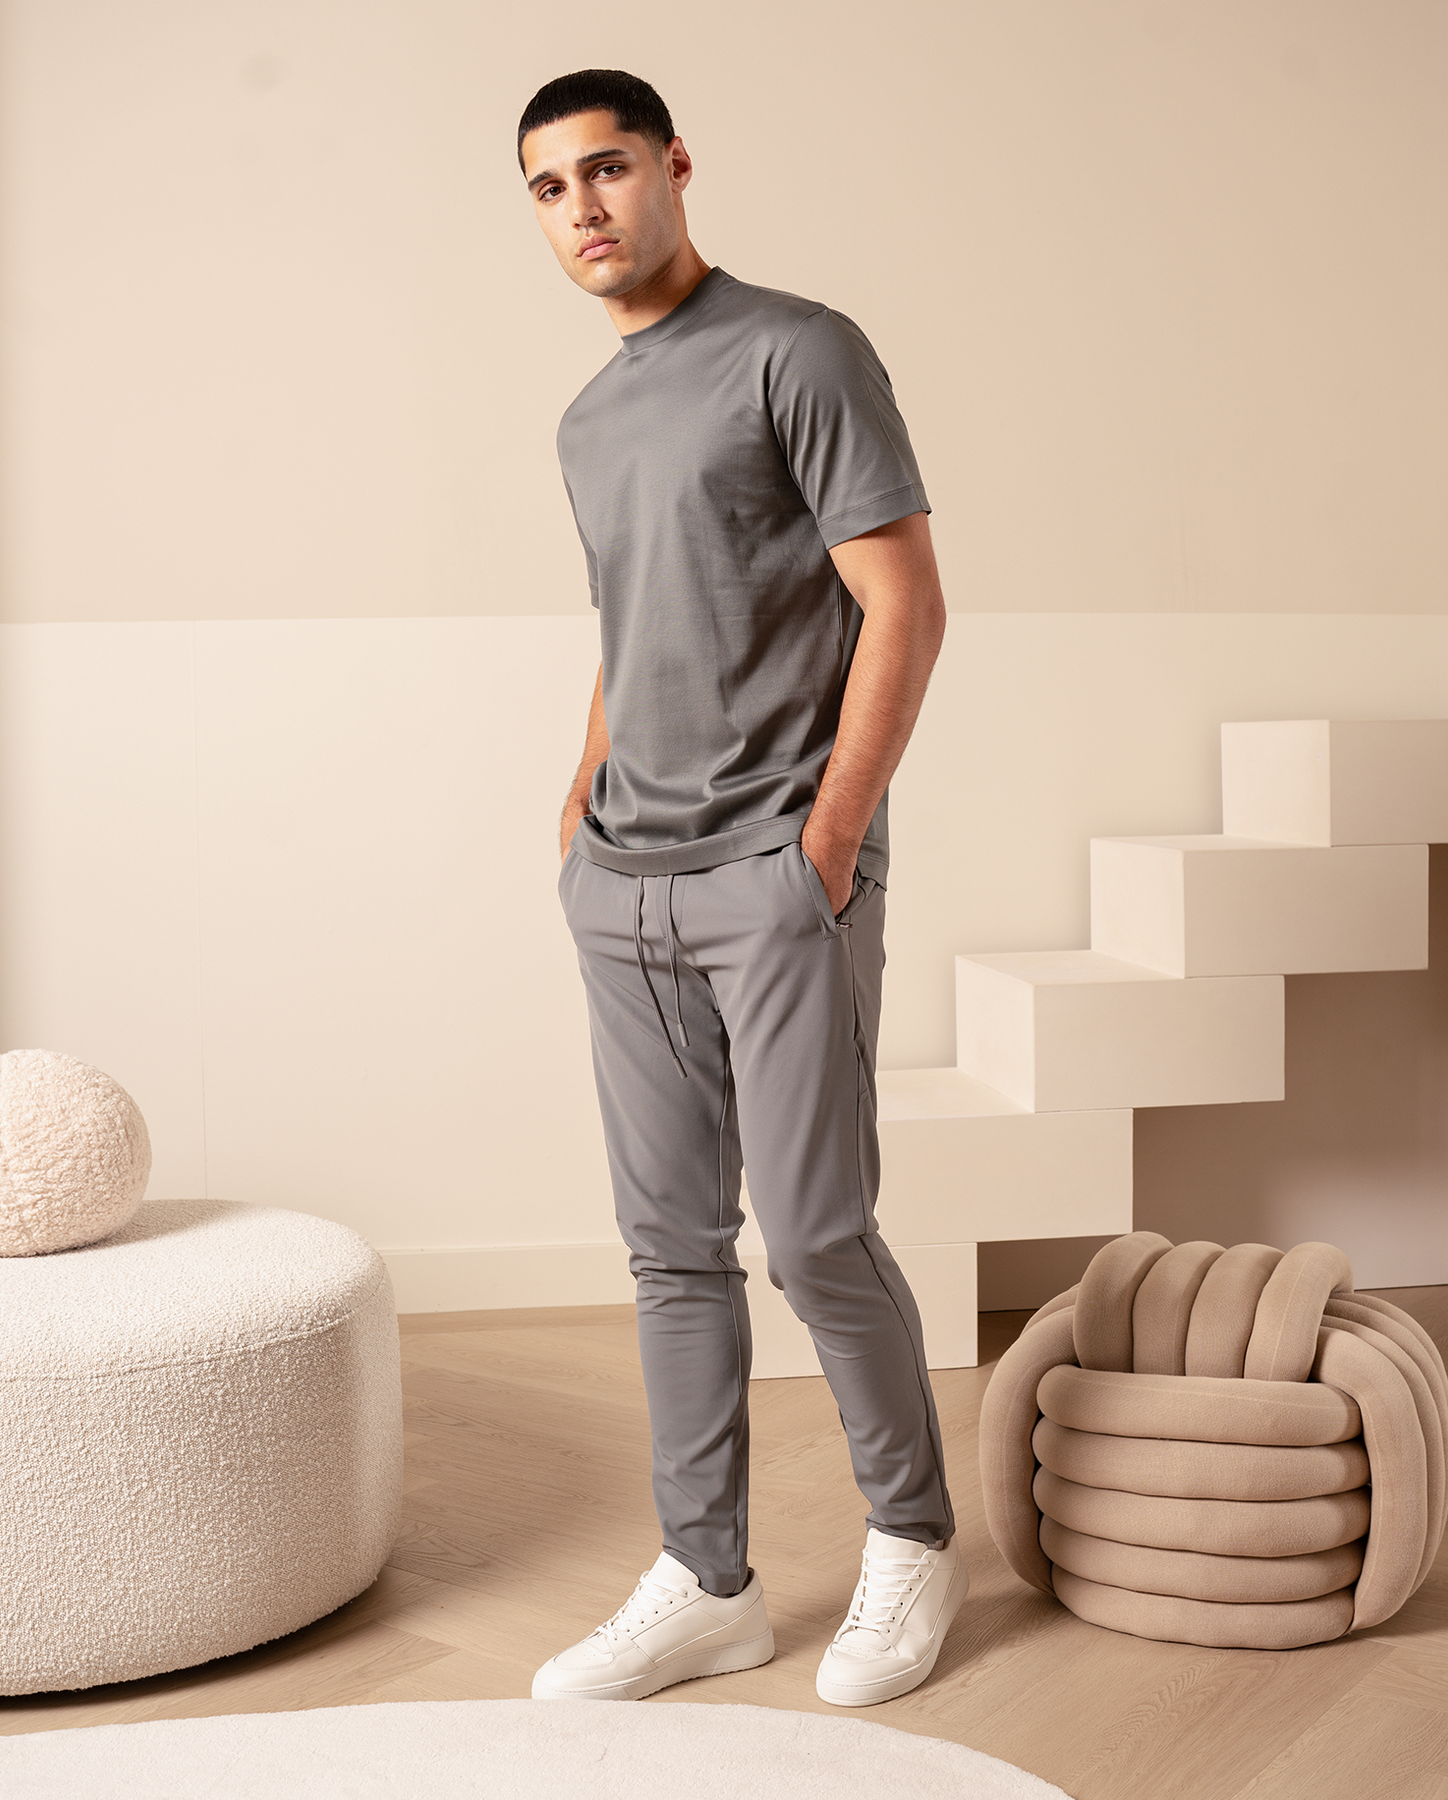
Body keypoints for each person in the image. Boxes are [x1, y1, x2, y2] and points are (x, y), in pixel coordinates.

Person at [520, 68, 964, 1709]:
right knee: (668, 1249)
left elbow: (904, 603)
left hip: (777, 869)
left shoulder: (800, 350)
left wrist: (828, 842)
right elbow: (630, 625)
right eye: (550, 188)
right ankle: (708, 1583)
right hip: (623, 884)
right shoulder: (586, 422)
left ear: (674, 169)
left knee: (819, 1234)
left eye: (607, 169)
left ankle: (912, 1538)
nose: (583, 209)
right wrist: (580, 799)